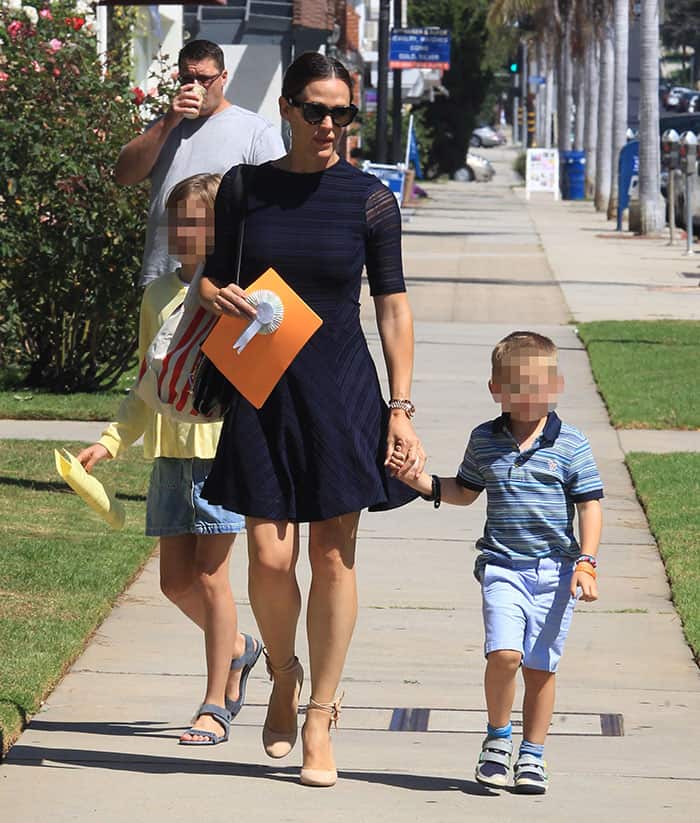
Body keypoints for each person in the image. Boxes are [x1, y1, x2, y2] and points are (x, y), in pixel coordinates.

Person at [197, 51, 426, 787]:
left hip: (341, 389)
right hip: (262, 383)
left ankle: (321, 715)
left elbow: (391, 304)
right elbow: (208, 275)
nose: (331, 125)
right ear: (289, 110)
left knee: (332, 555)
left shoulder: (369, 199)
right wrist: (215, 297)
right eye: (318, 110)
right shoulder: (246, 187)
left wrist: (401, 406)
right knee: (267, 556)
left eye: (343, 113)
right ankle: (284, 672)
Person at [77, 174, 261, 745]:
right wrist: (109, 441)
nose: (184, 231)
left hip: (221, 456)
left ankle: (214, 704)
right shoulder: (156, 295)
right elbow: (147, 386)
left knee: (210, 578)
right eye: (177, 221)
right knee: (174, 584)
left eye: (198, 221)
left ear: (221, 228)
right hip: (169, 457)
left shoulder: (238, 294)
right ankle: (237, 648)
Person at [392, 331, 603, 795]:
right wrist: (419, 481)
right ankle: (497, 738)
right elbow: (464, 492)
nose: (529, 398)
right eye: (518, 389)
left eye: (539, 388)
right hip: (503, 567)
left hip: (557, 572)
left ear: (557, 387)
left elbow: (589, 504)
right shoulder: (485, 440)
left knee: (540, 668)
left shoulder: (571, 444)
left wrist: (586, 562)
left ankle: (532, 753)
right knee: (505, 655)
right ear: (496, 391)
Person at [114, 39, 285, 286]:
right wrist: (167, 122)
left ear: (223, 77)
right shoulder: (165, 127)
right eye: (186, 80)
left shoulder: (255, 132)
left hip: (221, 282)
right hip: (163, 275)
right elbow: (123, 175)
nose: (195, 87)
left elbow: (275, 208)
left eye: (204, 79)